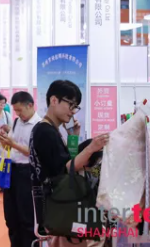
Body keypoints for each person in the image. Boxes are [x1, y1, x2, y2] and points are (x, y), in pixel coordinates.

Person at [29, 80, 109, 247]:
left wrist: (73, 137)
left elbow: (67, 161)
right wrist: (91, 148)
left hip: (60, 206)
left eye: (75, 106)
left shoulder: (49, 130)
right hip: (60, 207)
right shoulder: (45, 131)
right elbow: (66, 169)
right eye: (70, 105)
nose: (73, 111)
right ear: (54, 100)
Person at [0, 91, 40, 247]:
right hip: (12, 171)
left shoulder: (39, 126)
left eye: (20, 110)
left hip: (27, 173)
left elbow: (34, 153)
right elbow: (10, 147)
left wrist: (12, 144)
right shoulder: (16, 122)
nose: (18, 114)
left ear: (30, 105)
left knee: (27, 218)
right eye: (16, 111)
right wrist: (3, 140)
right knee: (11, 217)